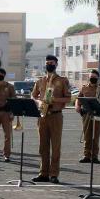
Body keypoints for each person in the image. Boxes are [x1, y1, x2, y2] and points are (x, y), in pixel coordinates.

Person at [31, 55, 71, 183]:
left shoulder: (62, 80)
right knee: (43, 146)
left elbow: (68, 98)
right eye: (47, 63)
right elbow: (33, 95)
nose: (49, 65)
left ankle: (54, 174)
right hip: (43, 115)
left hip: (55, 115)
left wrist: (55, 99)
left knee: (55, 146)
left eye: (52, 63)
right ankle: (43, 173)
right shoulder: (40, 81)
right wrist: (38, 102)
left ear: (56, 65)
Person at [76, 69, 100, 164]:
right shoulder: (84, 88)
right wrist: (77, 106)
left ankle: (94, 156)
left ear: (98, 78)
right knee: (87, 135)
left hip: (97, 114)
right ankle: (86, 155)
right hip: (86, 114)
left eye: (94, 78)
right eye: (91, 77)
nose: (92, 79)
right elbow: (78, 98)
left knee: (95, 135)